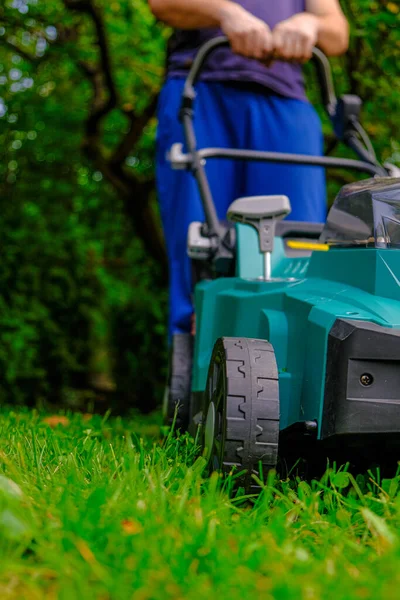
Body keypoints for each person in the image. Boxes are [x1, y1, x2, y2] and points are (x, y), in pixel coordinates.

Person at [149, 0, 349, 426]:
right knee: (203, 239)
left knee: (299, 246)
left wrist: (308, 23)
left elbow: (337, 31)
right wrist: (226, 13)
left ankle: (301, 397)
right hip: (203, 87)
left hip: (286, 101)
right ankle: (196, 399)